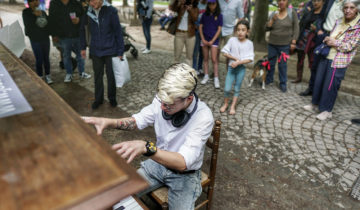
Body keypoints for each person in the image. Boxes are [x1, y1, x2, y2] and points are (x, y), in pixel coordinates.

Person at [82, 63, 214, 209]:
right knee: (116, 195)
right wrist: (109, 122)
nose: (163, 107)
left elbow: (183, 163)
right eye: (162, 102)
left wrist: (147, 148)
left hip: (184, 176)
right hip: (157, 165)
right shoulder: (163, 99)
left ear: (188, 99)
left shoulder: (203, 117)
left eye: (169, 105)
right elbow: (138, 121)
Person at [303, 0, 360, 120]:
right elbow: (333, 35)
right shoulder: (339, 20)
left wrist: (334, 42)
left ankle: (327, 110)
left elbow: (350, 46)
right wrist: (328, 38)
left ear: (357, 9)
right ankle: (315, 103)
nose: (348, 10)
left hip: (339, 60)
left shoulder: (358, 26)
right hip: (326, 54)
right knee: (319, 80)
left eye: (351, 7)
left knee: (330, 85)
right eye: (345, 8)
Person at [80, 0, 124, 109]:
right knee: (98, 77)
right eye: (89, 1)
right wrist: (82, 47)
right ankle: (98, 99)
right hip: (95, 50)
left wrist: (120, 51)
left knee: (111, 77)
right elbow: (82, 29)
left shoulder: (111, 10)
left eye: (93, 1)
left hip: (111, 50)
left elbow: (118, 31)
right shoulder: (88, 11)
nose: (91, 3)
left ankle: (112, 98)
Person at [300, 0, 345, 96]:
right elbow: (321, 17)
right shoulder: (330, 2)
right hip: (323, 35)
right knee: (315, 64)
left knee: (331, 68)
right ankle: (312, 89)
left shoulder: (350, 4)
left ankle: (325, 93)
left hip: (338, 39)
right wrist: (319, 30)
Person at [49, 0, 91, 83]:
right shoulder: (54, 3)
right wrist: (53, 34)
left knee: (80, 55)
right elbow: (51, 19)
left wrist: (79, 20)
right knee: (66, 56)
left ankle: (82, 72)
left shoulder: (76, 3)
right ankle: (69, 74)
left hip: (77, 34)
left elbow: (84, 16)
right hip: (63, 36)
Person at [220, 20, 254, 115]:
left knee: (237, 88)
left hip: (241, 69)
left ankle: (232, 106)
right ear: (236, 31)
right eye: (238, 30)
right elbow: (224, 53)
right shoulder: (232, 40)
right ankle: (226, 103)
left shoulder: (249, 44)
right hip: (231, 69)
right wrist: (234, 58)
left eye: (243, 30)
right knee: (227, 88)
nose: (240, 32)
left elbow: (250, 59)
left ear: (247, 31)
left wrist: (239, 62)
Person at [265, 0, 299, 93]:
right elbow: (266, 27)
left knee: (282, 65)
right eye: (279, 0)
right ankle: (269, 79)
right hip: (272, 43)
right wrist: (272, 20)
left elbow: (296, 28)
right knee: (270, 63)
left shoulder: (292, 13)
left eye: (283, 0)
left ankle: (283, 83)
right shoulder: (273, 13)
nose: (281, 2)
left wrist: (293, 41)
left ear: (287, 1)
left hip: (284, 45)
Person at [293, 0, 325, 83]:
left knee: (312, 60)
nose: (315, 2)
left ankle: (313, 81)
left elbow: (324, 29)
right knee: (300, 58)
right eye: (314, 0)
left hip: (313, 40)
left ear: (323, 2)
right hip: (303, 38)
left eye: (318, 1)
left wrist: (316, 29)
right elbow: (301, 24)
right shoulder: (309, 12)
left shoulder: (324, 14)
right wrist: (297, 38)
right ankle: (298, 77)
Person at [23, 0, 53, 84]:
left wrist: (52, 34)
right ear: (29, 3)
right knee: (39, 58)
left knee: (46, 58)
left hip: (45, 38)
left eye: (36, 0)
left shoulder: (42, 12)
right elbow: (28, 25)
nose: (35, 3)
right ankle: (39, 76)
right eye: (32, 1)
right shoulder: (26, 12)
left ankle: (48, 75)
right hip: (35, 39)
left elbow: (48, 25)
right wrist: (34, 16)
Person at [199, 0, 223, 88]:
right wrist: (203, 39)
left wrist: (213, 40)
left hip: (214, 41)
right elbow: (200, 27)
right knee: (205, 58)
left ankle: (216, 78)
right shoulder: (204, 15)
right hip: (205, 39)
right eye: (209, 3)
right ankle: (206, 75)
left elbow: (219, 29)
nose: (211, 5)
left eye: (213, 3)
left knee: (214, 59)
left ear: (216, 4)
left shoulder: (220, 16)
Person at [170, 0, 199, 65]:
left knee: (189, 58)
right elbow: (172, 8)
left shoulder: (195, 8)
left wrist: (190, 10)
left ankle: (188, 74)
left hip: (190, 35)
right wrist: (177, 1)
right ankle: (175, 74)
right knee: (176, 57)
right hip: (179, 34)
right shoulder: (181, 6)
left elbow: (195, 19)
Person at [192, 0, 206, 75]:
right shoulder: (197, 4)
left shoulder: (209, 5)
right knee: (195, 50)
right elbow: (194, 16)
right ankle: (194, 68)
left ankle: (200, 67)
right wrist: (196, 26)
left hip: (205, 32)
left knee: (202, 51)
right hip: (197, 31)